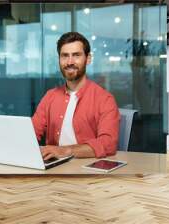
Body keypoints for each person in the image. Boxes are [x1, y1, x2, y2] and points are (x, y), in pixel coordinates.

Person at [32, 32, 120, 160]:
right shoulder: (50, 96)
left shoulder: (104, 99)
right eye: (64, 56)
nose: (69, 62)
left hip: (85, 170)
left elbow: (108, 144)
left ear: (88, 59)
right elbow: (32, 131)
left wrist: (65, 151)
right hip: (53, 167)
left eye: (76, 55)